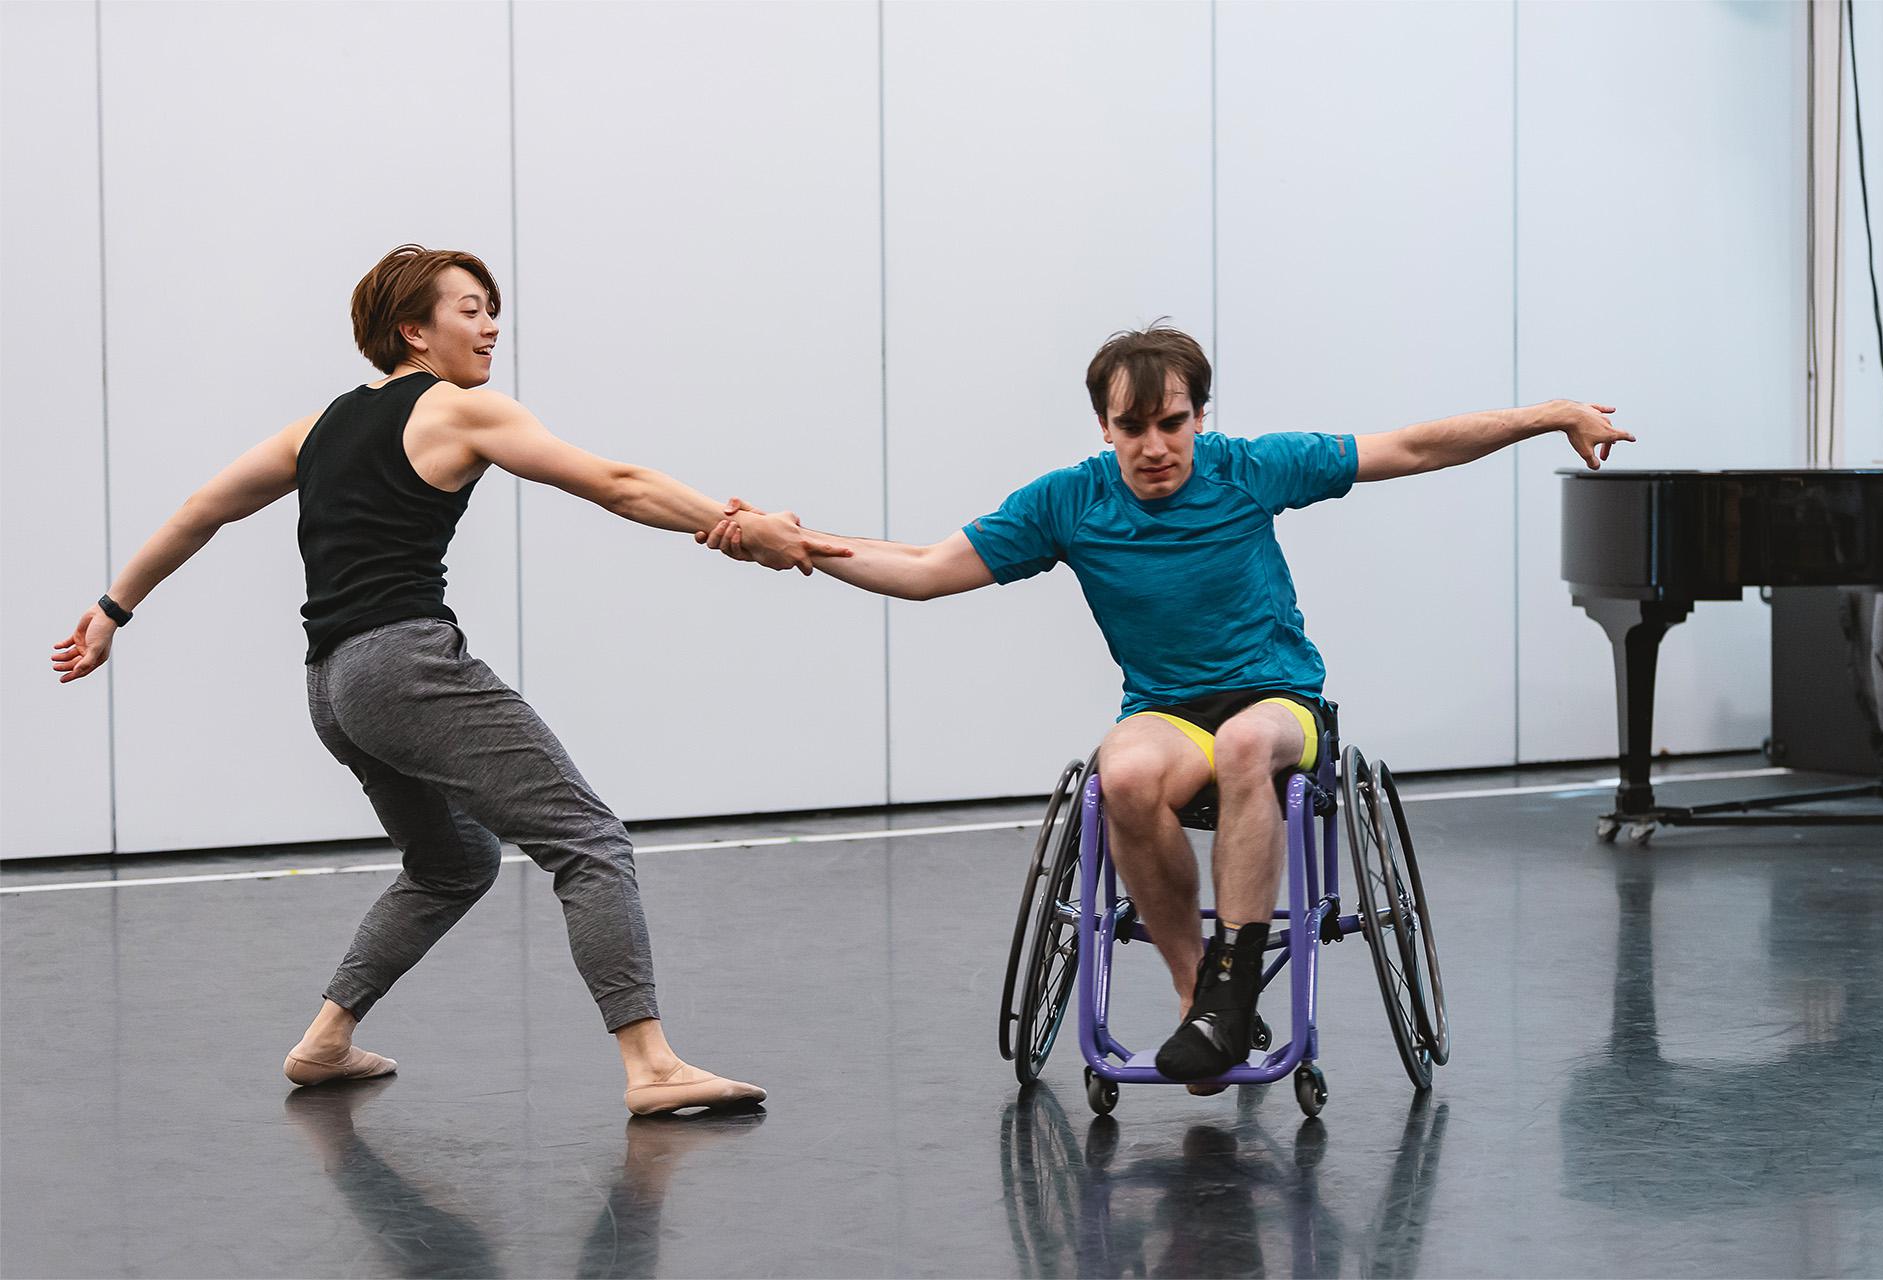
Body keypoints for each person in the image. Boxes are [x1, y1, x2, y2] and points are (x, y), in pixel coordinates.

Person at [701, 324, 1632, 1090]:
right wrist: (801, 542)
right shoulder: (1069, 502)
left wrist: (1549, 415)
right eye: (1131, 428)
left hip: (1279, 701)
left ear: (1199, 416)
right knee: (1128, 770)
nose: (1154, 447)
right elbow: (926, 569)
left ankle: (1229, 992)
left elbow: (1415, 446)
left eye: (1172, 424)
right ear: (1104, 428)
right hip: (1167, 710)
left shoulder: (1251, 469)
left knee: (1243, 742)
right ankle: (1205, 1003)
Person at [51, 244, 839, 1115]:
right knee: (589, 840)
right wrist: (742, 526)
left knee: (454, 860)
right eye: (470, 309)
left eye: (491, 307)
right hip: (404, 664)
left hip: (333, 687)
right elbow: (617, 484)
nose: (491, 323)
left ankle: (324, 1041)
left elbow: (203, 509)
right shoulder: (460, 411)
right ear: (413, 331)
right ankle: (651, 1066)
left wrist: (113, 608)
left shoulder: (315, 428)